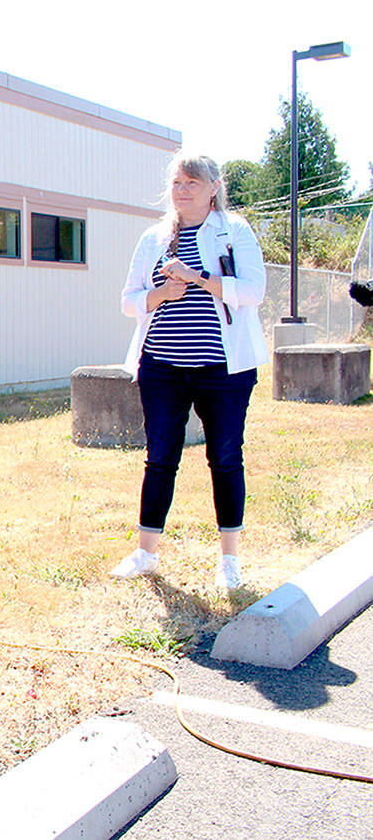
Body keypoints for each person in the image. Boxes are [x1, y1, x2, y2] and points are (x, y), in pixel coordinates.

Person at [111, 152, 268, 589]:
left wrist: (197, 279)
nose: (182, 190)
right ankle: (145, 553)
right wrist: (164, 290)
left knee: (225, 456)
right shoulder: (153, 237)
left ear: (213, 188)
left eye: (192, 183)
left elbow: (253, 290)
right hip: (162, 365)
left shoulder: (234, 231)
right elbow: (129, 301)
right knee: (159, 457)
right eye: (177, 183)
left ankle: (229, 560)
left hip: (224, 368)